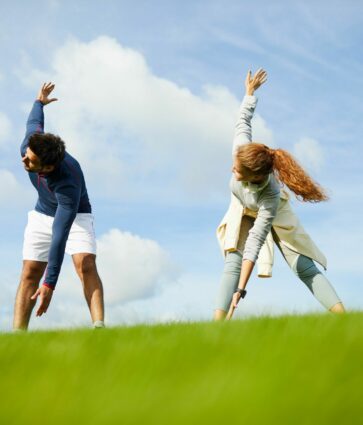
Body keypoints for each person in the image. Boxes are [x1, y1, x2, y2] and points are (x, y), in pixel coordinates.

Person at [215, 69, 345, 320]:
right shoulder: (240, 151)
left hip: (271, 211)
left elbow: (256, 241)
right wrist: (250, 93)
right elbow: (243, 120)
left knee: (302, 265)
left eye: (238, 171)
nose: (232, 169)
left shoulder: (271, 195)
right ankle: (215, 328)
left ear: (255, 177)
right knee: (233, 261)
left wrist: (241, 290)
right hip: (241, 207)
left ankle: (344, 319)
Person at [13, 82, 105, 330]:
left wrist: (49, 284)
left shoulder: (68, 184)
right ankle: (17, 336)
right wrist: (39, 103)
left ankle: (99, 327)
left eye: (30, 161)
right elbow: (33, 124)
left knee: (85, 262)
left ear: (49, 167)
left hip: (75, 216)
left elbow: (59, 235)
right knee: (30, 270)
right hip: (42, 212)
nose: (23, 159)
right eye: (26, 154)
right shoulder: (29, 147)